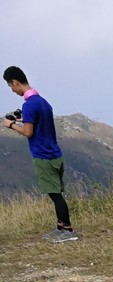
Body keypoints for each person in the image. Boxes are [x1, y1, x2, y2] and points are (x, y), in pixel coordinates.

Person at [3, 66, 78, 242]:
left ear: (15, 82)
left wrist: (11, 125)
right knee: (56, 191)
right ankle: (60, 228)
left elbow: (28, 132)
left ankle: (68, 231)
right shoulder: (42, 102)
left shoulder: (28, 105)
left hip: (44, 156)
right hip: (55, 154)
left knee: (54, 194)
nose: (12, 91)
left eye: (10, 87)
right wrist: (22, 118)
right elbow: (38, 120)